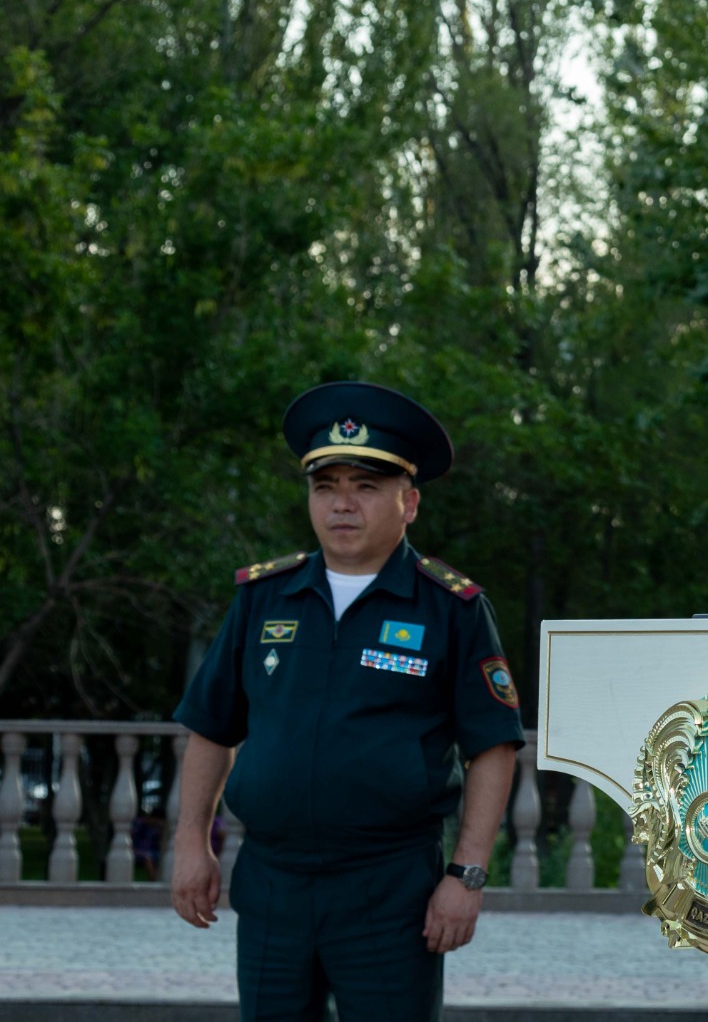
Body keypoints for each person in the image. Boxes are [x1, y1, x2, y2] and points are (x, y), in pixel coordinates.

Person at [170, 381, 525, 1022]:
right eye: (325, 486)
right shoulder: (263, 598)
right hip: (273, 882)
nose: (342, 504)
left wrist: (466, 875)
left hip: (389, 890)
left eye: (365, 487)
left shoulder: (451, 609)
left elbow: (493, 748)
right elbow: (210, 728)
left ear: (408, 502)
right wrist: (191, 842)